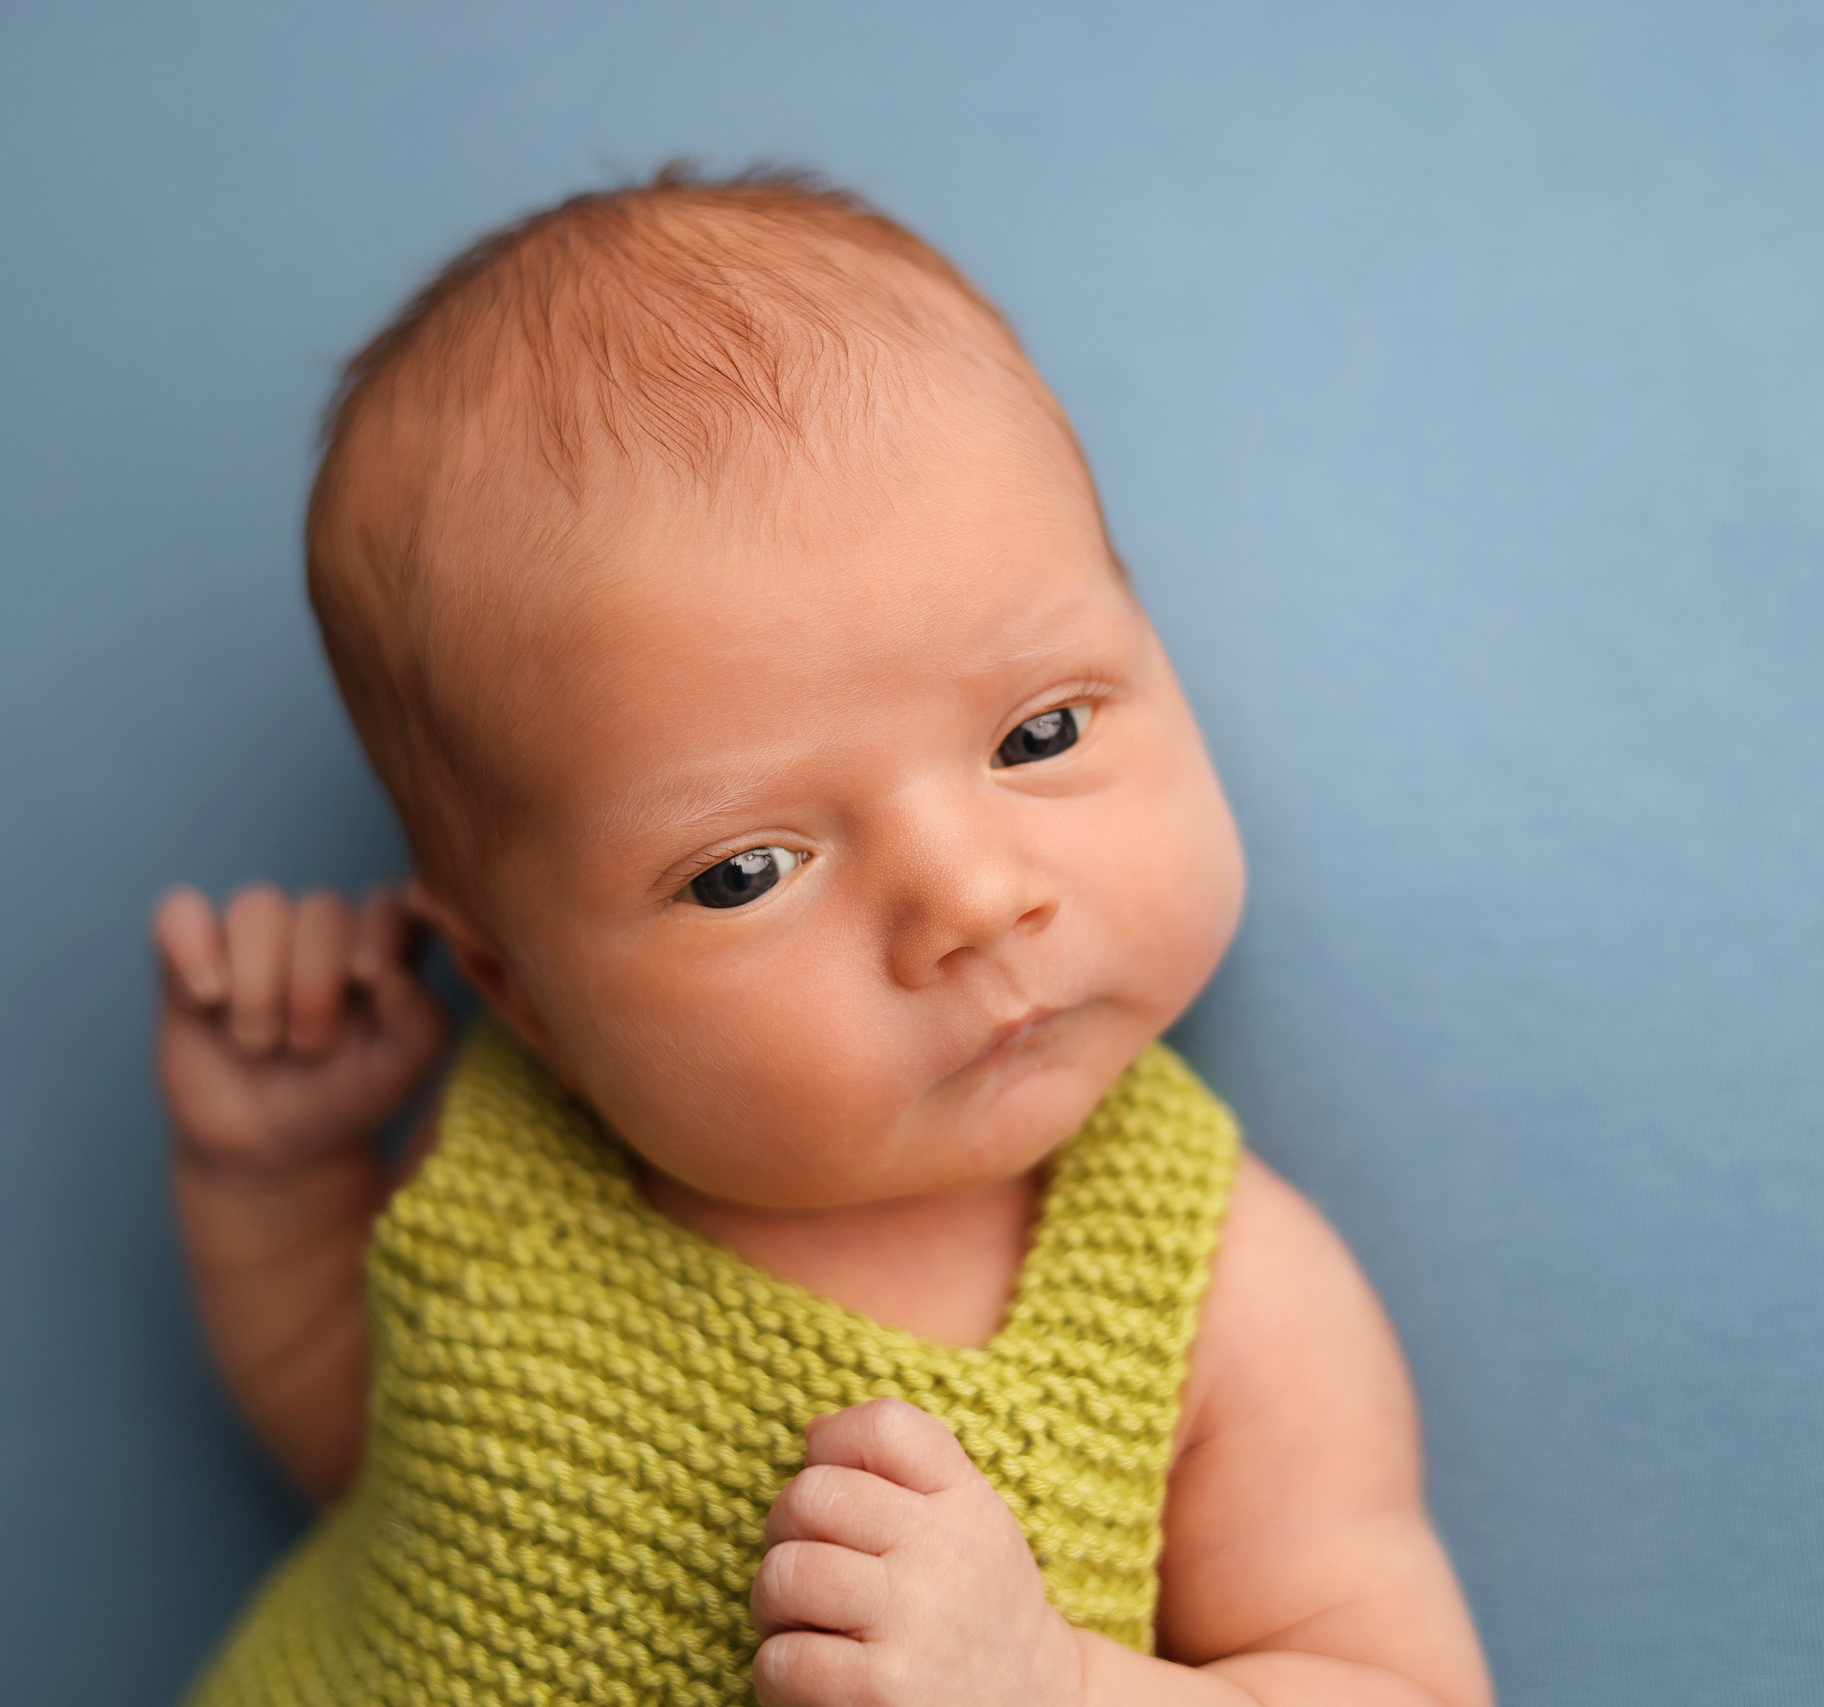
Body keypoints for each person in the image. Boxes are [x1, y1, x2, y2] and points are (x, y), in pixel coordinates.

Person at [154, 167, 1491, 1707]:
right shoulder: (499, 1173)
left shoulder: (1233, 1298)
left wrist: (1051, 1686)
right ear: (519, 993)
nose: (974, 901)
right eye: (745, 872)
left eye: (1041, 729)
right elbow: (368, 1461)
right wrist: (271, 1174)